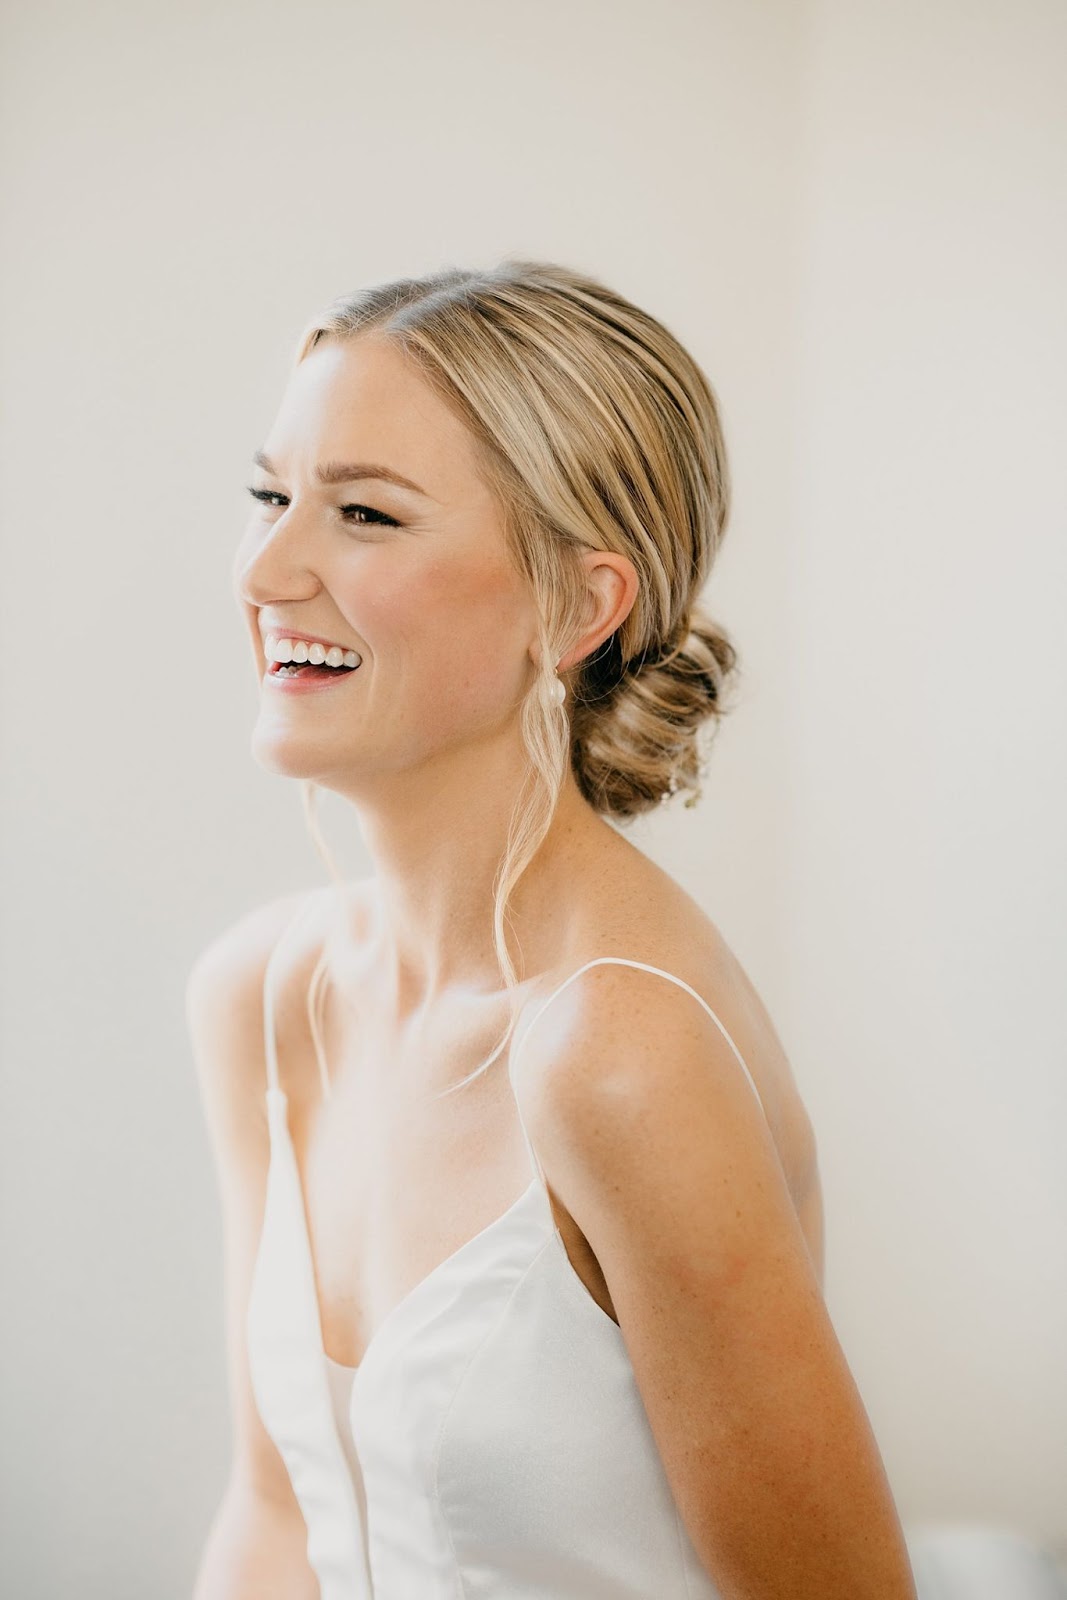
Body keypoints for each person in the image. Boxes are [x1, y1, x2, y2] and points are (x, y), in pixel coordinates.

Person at [187, 259, 917, 1599]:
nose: (267, 569)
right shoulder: (263, 995)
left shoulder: (619, 1052)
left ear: (577, 606)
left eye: (364, 514)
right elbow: (275, 1517)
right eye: (270, 497)